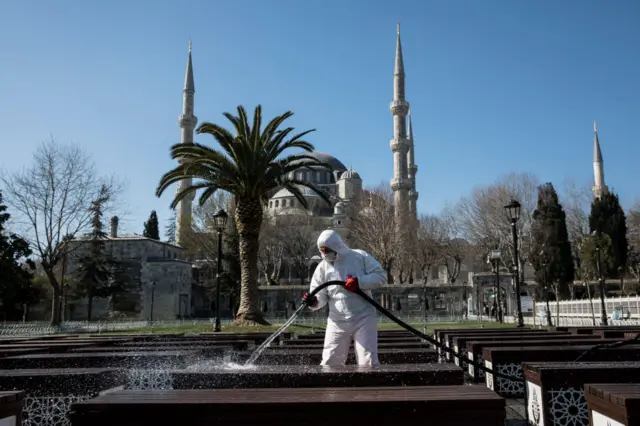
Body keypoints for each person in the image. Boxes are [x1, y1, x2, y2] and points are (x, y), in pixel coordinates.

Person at [301, 229, 386, 366]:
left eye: (327, 250)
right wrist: (314, 301)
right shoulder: (322, 268)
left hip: (363, 317)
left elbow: (381, 277)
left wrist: (359, 282)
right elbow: (320, 295)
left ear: (337, 247)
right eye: (322, 251)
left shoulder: (360, 257)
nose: (325, 254)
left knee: (368, 361)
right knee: (330, 361)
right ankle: (331, 388)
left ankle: (371, 387)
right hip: (337, 320)